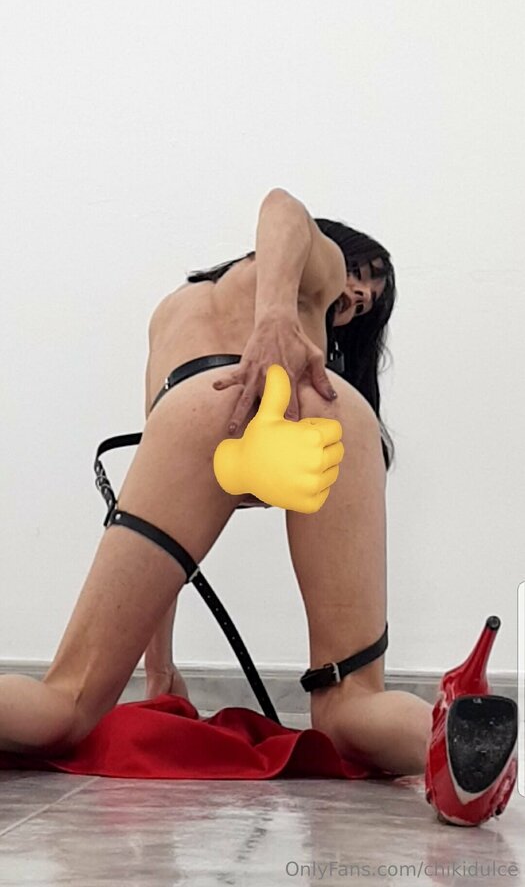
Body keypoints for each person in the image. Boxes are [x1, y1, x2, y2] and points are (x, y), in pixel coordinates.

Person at [0, 187, 516, 826]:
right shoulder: (312, 267)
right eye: (361, 274)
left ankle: (453, 749)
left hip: (198, 405)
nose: (358, 295)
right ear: (334, 249)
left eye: (369, 300)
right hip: (319, 405)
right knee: (351, 701)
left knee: (65, 704)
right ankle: (440, 732)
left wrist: (160, 672)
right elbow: (281, 207)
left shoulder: (172, 312)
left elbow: (161, 483)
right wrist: (276, 317)